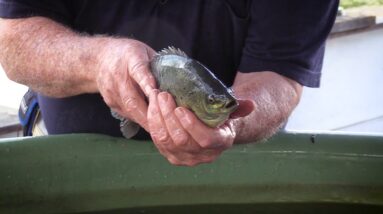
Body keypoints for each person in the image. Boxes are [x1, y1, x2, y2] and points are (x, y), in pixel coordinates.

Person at [0, 0, 339, 166]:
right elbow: (14, 42)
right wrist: (100, 61)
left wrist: (231, 124)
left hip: (227, 168)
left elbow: (279, 74)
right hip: (66, 159)